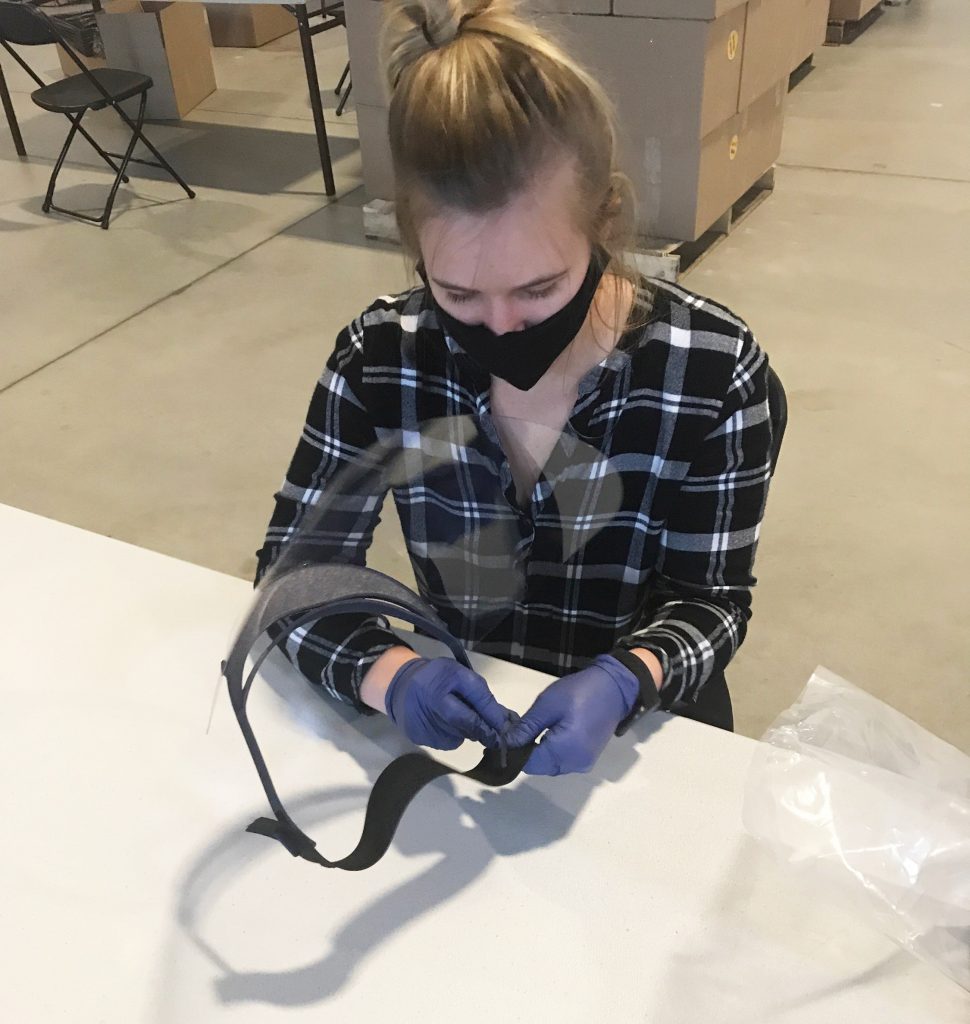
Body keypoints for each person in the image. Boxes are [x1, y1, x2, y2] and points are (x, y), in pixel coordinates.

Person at [256, 0, 774, 777]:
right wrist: (392, 677)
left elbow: (711, 601)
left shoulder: (712, 371)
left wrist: (627, 676)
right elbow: (296, 575)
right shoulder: (382, 358)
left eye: (538, 288)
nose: (498, 328)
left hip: (639, 745)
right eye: (458, 294)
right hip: (469, 714)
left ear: (604, 222)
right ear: (414, 248)